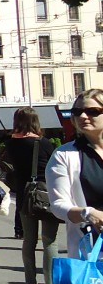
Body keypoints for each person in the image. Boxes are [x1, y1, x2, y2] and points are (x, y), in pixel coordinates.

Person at [0, 107, 59, 284]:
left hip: (25, 195)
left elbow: (7, 167)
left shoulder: (9, 144)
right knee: (50, 241)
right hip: (46, 193)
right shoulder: (44, 143)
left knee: (29, 241)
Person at [47, 89, 103, 256]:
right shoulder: (64, 155)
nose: (83, 116)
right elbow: (58, 206)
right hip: (93, 251)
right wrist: (89, 213)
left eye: (92, 111)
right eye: (77, 112)